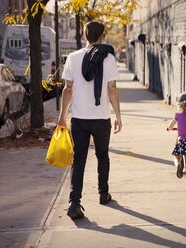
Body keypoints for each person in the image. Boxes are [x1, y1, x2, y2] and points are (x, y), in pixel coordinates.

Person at [58, 21, 122, 219]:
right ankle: (103, 194)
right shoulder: (108, 57)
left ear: (85, 36)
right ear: (102, 36)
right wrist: (118, 116)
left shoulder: (73, 57)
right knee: (103, 155)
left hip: (79, 119)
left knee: (78, 160)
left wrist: (62, 117)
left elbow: (68, 90)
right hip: (101, 118)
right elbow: (112, 88)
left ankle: (74, 203)